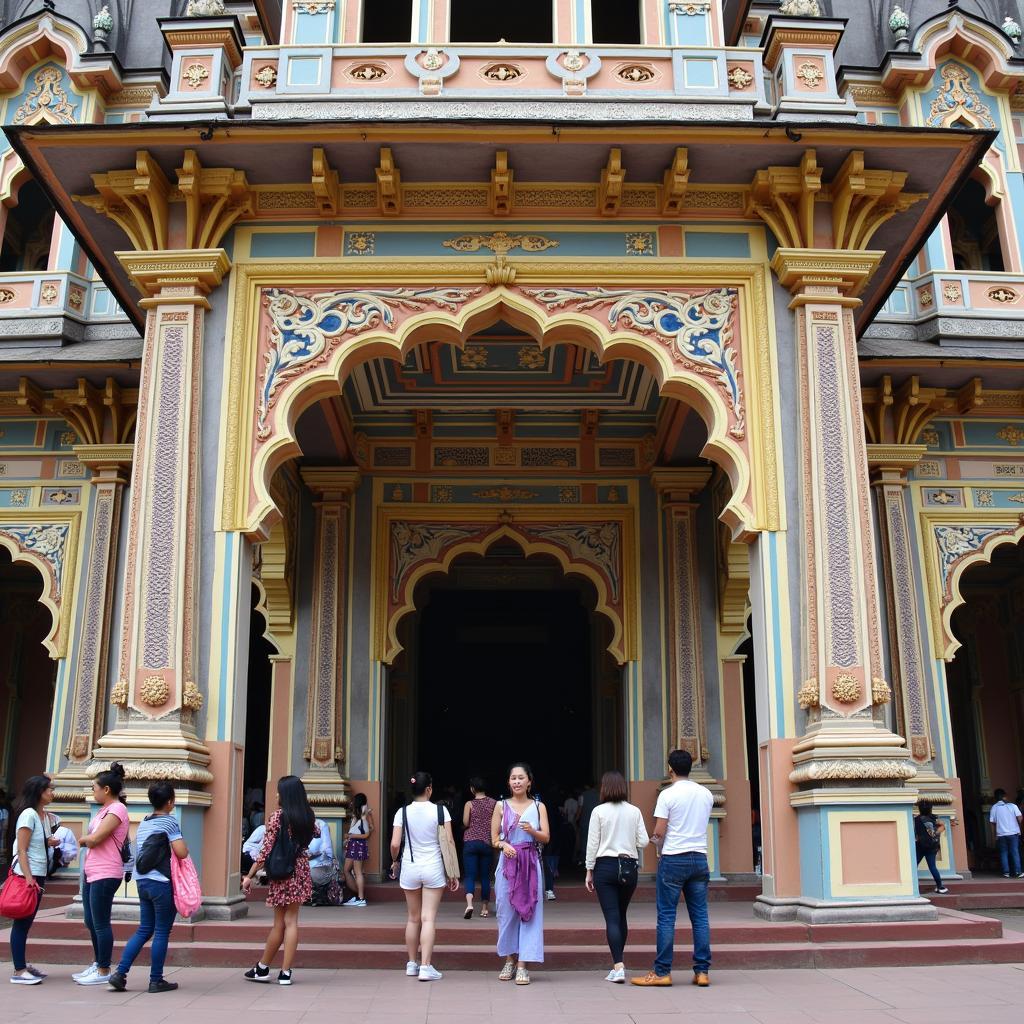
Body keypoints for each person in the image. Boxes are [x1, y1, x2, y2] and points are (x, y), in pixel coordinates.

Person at [631, 749, 714, 988]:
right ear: (691, 767)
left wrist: (655, 845)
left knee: (667, 916)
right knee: (700, 917)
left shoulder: (667, 795)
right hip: (699, 858)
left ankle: (662, 971)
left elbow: (659, 832)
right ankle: (702, 971)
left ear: (670, 768)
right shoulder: (706, 794)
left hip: (673, 858)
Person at [107, 782, 189, 993]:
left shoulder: (144, 821)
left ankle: (120, 973)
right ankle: (156, 980)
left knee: (144, 929)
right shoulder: (170, 822)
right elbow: (181, 852)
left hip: (142, 881)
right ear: (170, 802)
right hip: (161, 882)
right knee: (162, 931)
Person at [241, 775, 320, 985]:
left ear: (285, 795)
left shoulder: (278, 817)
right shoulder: (308, 816)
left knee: (279, 924)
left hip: (283, 871)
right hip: (301, 869)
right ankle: (284, 972)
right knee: (292, 921)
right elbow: (317, 832)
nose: (276, 794)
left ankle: (263, 968)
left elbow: (265, 850)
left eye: (278, 791)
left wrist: (249, 876)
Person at [390, 771, 460, 981]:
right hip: (433, 867)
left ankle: (412, 963)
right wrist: (453, 872)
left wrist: (395, 861)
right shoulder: (441, 811)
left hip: (410, 867)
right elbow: (449, 842)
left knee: (413, 918)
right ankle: (426, 967)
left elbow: (395, 844)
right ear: (429, 789)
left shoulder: (401, 813)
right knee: (428, 918)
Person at [585, 770, 650, 983]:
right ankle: (618, 964)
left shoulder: (599, 811)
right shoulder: (634, 811)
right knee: (622, 915)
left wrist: (589, 869)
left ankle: (618, 966)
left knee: (611, 917)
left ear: (604, 788)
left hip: (605, 866)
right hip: (629, 866)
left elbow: (593, 843)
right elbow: (643, 841)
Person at [491, 762, 550, 986]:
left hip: (531, 863)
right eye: (513, 778)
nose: (516, 781)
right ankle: (509, 959)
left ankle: (524, 964)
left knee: (530, 912)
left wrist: (532, 831)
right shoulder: (500, 806)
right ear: (508, 782)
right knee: (506, 913)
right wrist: (502, 845)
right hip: (508, 863)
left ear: (529, 781)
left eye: (521, 778)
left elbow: (546, 837)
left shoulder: (538, 807)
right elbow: (494, 838)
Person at [76, 763, 130, 987]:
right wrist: (88, 839)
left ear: (106, 789)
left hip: (106, 871)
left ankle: (104, 968)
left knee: (100, 923)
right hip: (92, 871)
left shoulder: (117, 809)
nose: (93, 792)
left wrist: (83, 839)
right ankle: (98, 962)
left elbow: (96, 838)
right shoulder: (103, 810)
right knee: (91, 920)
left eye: (94, 788)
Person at [8, 774, 59, 985]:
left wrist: (50, 841)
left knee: (26, 923)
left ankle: (22, 964)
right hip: (27, 875)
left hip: (38, 873)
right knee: (21, 922)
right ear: (39, 792)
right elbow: (22, 849)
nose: (52, 793)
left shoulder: (42, 816)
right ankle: (19, 970)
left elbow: (38, 841)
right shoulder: (28, 814)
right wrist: (29, 878)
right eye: (49, 790)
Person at [462, 777, 496, 919]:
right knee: (485, 877)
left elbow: (465, 822)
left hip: (470, 842)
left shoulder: (469, 804)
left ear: (472, 789)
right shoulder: (494, 803)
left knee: (470, 875)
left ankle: (469, 905)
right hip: (487, 842)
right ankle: (484, 909)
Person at [342, 793, 373, 907]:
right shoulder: (357, 816)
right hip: (353, 845)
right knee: (346, 870)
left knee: (358, 872)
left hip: (358, 845)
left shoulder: (364, 816)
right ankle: (358, 895)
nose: (351, 803)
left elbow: (366, 834)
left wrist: (352, 836)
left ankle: (361, 898)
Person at [914, 799, 949, 895]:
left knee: (914, 865)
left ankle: (913, 886)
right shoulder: (933, 818)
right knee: (932, 866)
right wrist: (939, 830)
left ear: (919, 809)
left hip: (920, 846)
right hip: (932, 847)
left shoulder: (916, 819)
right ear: (931, 809)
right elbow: (937, 830)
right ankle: (940, 886)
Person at [990, 788, 1023, 878]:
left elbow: (992, 823)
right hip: (1013, 833)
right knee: (1014, 852)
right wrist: (1017, 826)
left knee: (1003, 853)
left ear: (995, 797)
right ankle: (1018, 872)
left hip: (1001, 834)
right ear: (1004, 796)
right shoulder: (1012, 806)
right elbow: (1020, 818)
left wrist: (994, 836)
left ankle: (1006, 872)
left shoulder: (994, 808)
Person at [44, 812, 79, 878]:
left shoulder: (64, 831)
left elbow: (70, 851)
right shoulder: (41, 830)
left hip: (57, 861)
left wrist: (61, 855)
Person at [578, 782, 599, 865]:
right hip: (597, 822)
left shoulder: (582, 796)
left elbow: (580, 810)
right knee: (596, 841)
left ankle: (584, 861)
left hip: (585, 821)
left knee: (584, 841)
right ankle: (595, 861)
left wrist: (575, 820)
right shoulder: (599, 795)